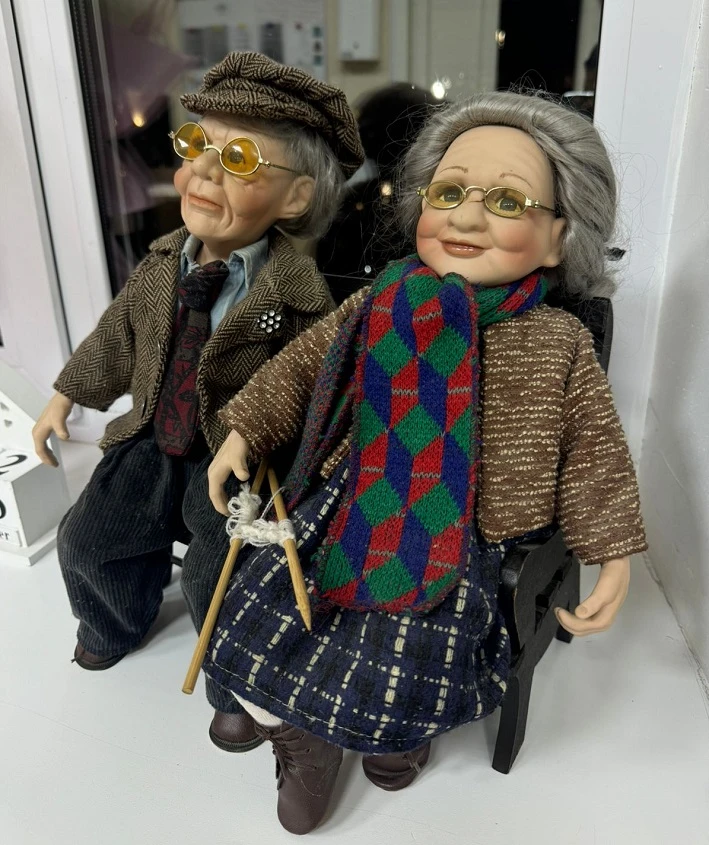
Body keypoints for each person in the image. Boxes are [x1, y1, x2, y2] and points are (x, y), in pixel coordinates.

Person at [203, 91, 648, 834]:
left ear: (557, 238)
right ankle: (304, 741)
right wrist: (244, 431)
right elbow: (300, 367)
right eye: (449, 193)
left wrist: (612, 550)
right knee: (267, 616)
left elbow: (593, 446)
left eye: (507, 201)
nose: (467, 218)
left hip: (462, 532)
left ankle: (395, 736)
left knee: (408, 659)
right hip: (352, 499)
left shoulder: (557, 341)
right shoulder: (381, 302)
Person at [30, 52, 364, 755]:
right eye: (195, 147)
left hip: (236, 461)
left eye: (238, 159)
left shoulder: (298, 297)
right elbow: (117, 334)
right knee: (88, 538)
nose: (204, 172)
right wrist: (67, 393)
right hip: (155, 432)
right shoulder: (161, 264)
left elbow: (314, 383)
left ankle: (232, 686)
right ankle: (115, 620)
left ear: (296, 198)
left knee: (225, 574)